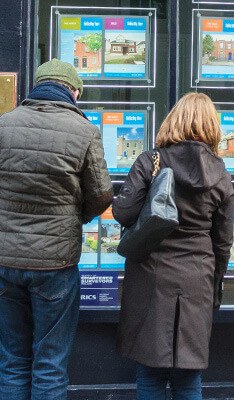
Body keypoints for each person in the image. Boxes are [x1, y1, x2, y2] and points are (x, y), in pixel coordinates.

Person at [0, 58, 113, 399]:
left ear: (37, 87)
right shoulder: (84, 131)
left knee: (12, 361)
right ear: (74, 92)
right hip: (55, 265)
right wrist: (74, 218)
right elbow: (101, 194)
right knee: (50, 364)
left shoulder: (5, 124)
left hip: (5, 262)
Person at [113, 92, 234, 400]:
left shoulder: (150, 161)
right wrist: (214, 282)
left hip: (150, 276)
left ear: (173, 120)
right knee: (188, 374)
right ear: (211, 126)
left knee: (150, 372)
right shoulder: (220, 174)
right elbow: (223, 243)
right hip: (197, 278)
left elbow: (123, 212)